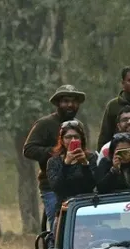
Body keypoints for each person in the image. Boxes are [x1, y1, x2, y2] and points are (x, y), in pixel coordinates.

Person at [23, 84, 87, 231]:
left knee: (82, 227)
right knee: (57, 228)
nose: (70, 104)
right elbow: (28, 149)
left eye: (74, 101)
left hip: (77, 184)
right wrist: (57, 153)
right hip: (51, 185)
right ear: (58, 103)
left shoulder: (78, 125)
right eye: (65, 101)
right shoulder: (45, 124)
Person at [45, 121, 98, 207]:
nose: (73, 140)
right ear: (62, 140)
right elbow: (56, 187)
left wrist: (85, 164)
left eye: (76, 137)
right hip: (65, 207)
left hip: (87, 205)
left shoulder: (91, 157)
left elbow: (92, 185)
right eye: (68, 137)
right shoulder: (54, 161)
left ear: (81, 139)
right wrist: (66, 164)